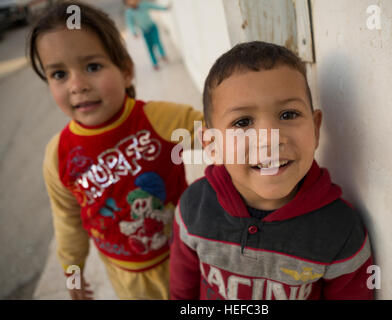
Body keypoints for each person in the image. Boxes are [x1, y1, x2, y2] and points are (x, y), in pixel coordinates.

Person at [170, 41, 374, 300]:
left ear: (315, 128)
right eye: (242, 122)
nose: (269, 139)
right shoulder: (193, 209)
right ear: (212, 145)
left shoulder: (341, 230)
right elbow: (181, 292)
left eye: (288, 114)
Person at [28, 1, 202, 299]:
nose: (77, 85)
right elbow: (67, 219)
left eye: (92, 66)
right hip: (125, 277)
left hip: (186, 259)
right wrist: (72, 270)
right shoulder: (58, 155)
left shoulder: (159, 119)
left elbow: (218, 135)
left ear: (125, 71)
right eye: (59, 74)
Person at [124, 0, 170, 70]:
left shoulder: (143, 4)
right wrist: (133, 32)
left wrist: (164, 8)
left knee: (157, 41)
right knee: (150, 47)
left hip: (152, 27)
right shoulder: (129, 13)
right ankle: (154, 63)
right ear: (126, 3)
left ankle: (163, 55)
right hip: (145, 30)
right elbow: (130, 23)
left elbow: (154, 6)